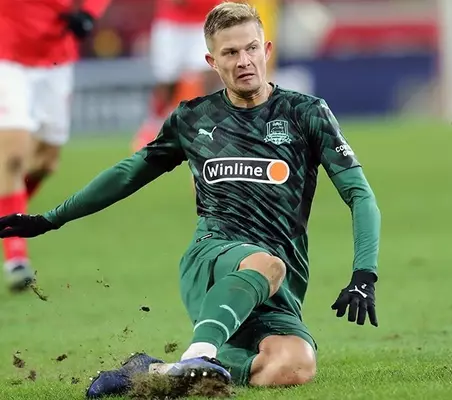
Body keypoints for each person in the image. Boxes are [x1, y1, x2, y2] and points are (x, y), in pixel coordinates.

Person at [0, 2, 381, 395]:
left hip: (279, 285)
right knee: (267, 264)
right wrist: (52, 218)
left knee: (294, 366)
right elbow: (128, 174)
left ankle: (157, 370)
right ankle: (200, 353)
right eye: (230, 53)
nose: (244, 61)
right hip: (212, 257)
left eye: (251, 49)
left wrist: (364, 274)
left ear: (266, 50)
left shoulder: (306, 113)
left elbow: (359, 194)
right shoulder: (194, 117)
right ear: (212, 61)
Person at [0, 0, 111, 290]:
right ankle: (15, 256)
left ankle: (6, 209)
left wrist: (89, 12)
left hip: (55, 60)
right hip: (7, 57)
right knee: (13, 157)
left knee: (46, 162)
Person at [131, 0, 224, 152]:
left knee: (210, 74)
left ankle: (199, 128)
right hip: (172, 23)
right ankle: (152, 126)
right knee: (167, 84)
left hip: (207, 20)